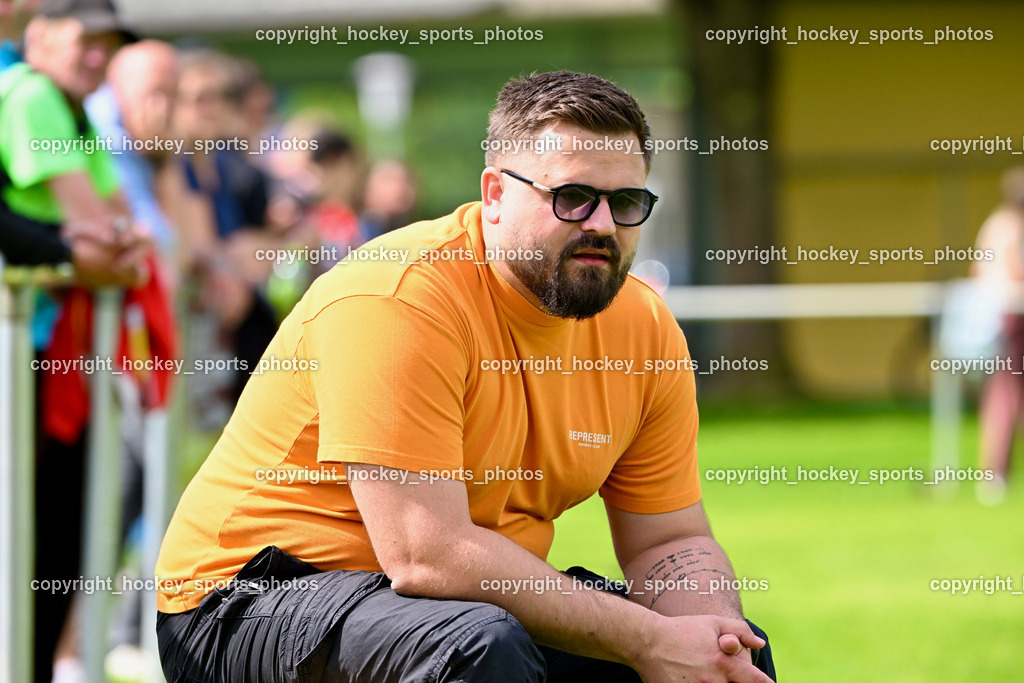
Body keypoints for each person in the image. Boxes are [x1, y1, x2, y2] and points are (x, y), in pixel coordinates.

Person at [155, 71, 777, 683]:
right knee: (478, 647)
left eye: (626, 202)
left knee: (731, 650)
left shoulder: (643, 326)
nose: (603, 225)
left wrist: (712, 644)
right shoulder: (398, 297)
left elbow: (667, 541)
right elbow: (426, 554)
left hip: (452, 600)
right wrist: (650, 641)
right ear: (496, 194)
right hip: (242, 599)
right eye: (573, 197)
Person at [972, 167, 1024, 504]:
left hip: (998, 315)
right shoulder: (1010, 227)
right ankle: (994, 474)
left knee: (1002, 395)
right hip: (1012, 315)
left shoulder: (994, 224)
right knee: (1006, 394)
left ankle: (994, 475)